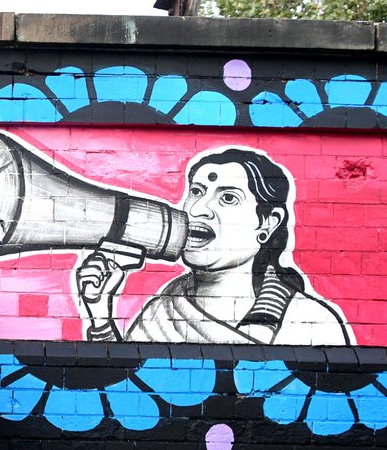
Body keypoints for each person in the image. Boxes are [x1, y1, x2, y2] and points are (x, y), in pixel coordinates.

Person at [76, 147, 352, 345]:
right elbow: (130, 390)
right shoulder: (167, 304)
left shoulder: (310, 322)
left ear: (267, 224)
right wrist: (100, 313)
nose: (199, 209)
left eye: (228, 198)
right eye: (196, 192)